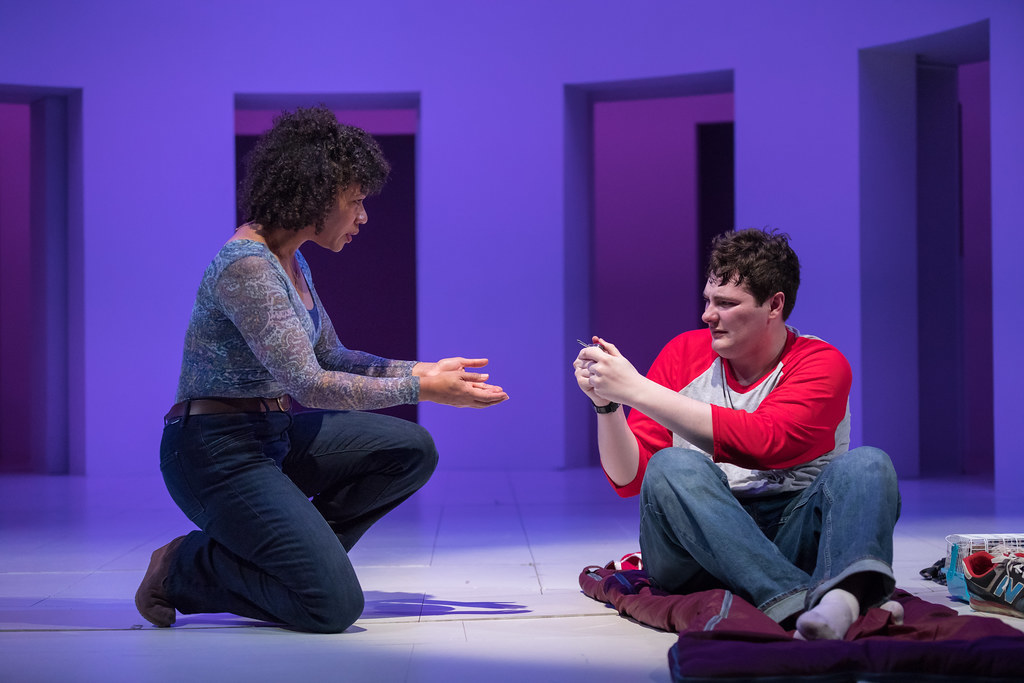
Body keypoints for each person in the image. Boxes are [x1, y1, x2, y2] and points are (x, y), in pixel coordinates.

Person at [135, 106, 508, 633]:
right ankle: (185, 566)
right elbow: (308, 383)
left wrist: (423, 368)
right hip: (214, 452)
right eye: (355, 201)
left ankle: (298, 561)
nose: (363, 216)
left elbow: (331, 356)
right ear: (315, 195)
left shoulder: (293, 259)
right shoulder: (247, 265)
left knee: (410, 450)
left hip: (272, 435)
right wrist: (422, 388)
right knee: (332, 608)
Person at [572, 228, 900, 641]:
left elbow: (766, 442)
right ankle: (802, 601)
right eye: (708, 300)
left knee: (869, 463)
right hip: (695, 551)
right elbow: (630, 478)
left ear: (774, 306)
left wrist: (637, 388)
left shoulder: (821, 363)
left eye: (726, 304)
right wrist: (608, 404)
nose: (708, 314)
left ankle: (844, 599)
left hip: (791, 532)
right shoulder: (683, 353)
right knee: (671, 464)